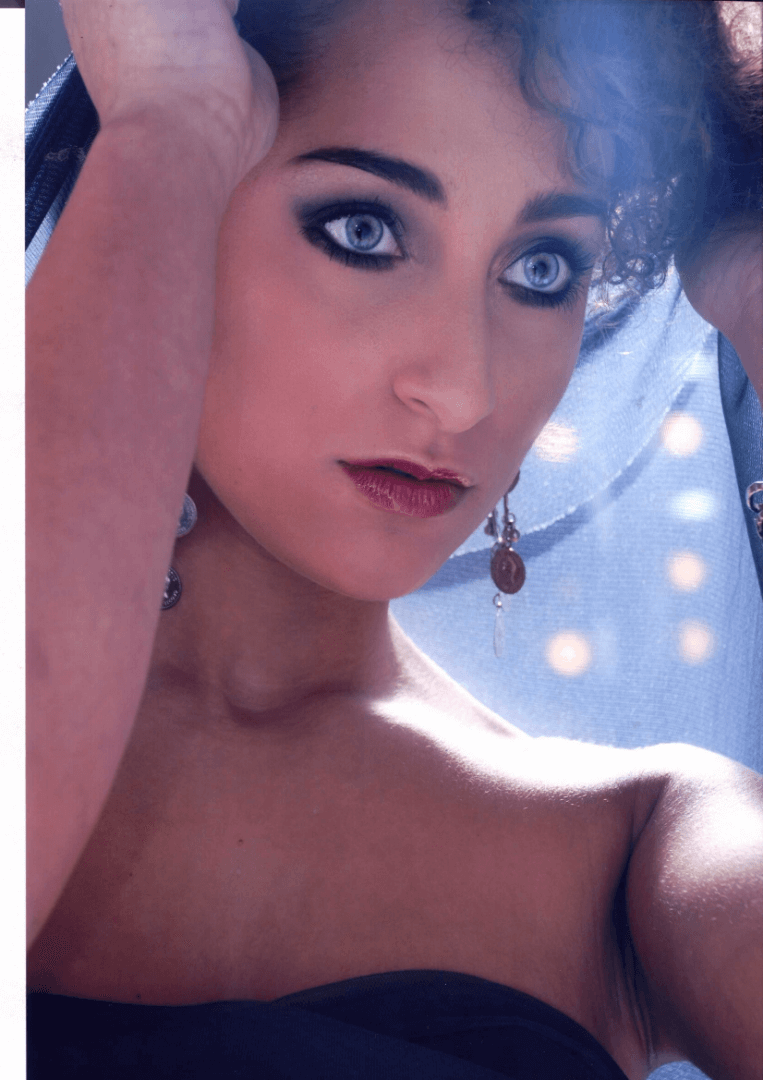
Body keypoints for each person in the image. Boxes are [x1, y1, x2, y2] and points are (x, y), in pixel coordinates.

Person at [26, 1, 762, 1077]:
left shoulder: (643, 852)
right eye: (363, 231)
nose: (463, 390)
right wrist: (170, 118)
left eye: (542, 269)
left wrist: (747, 269)